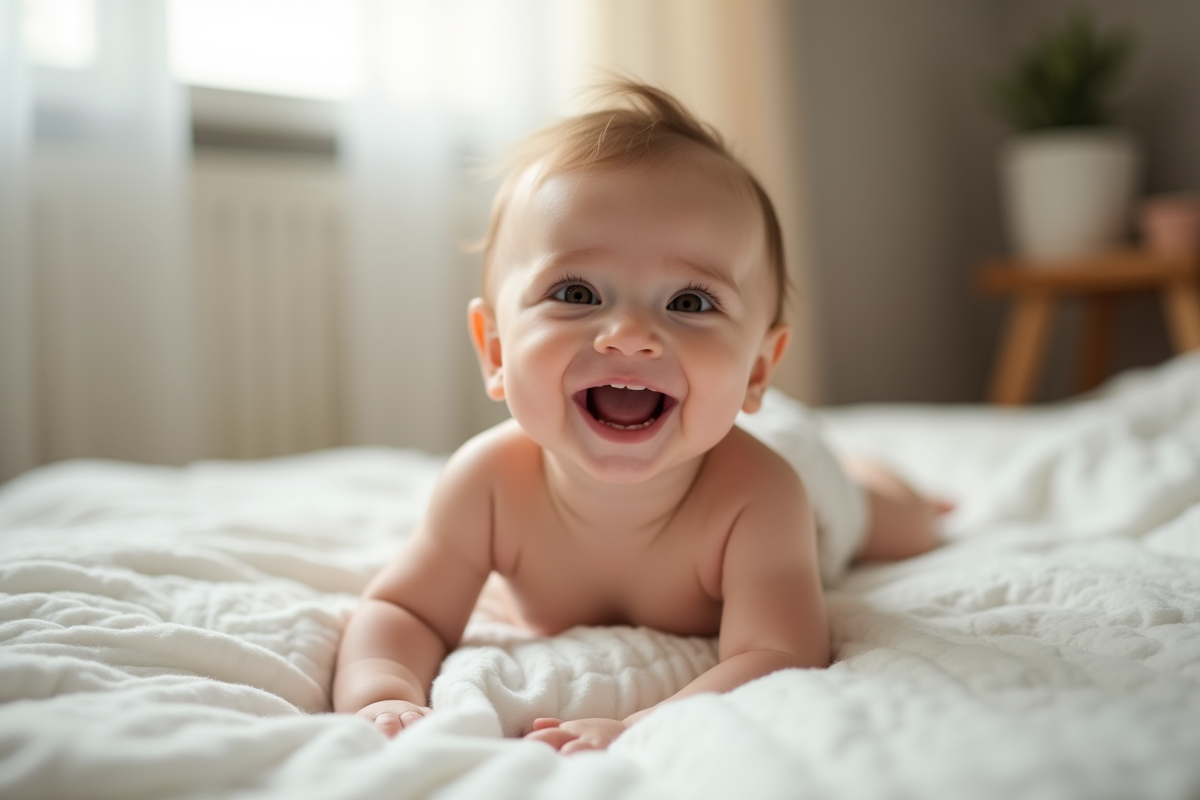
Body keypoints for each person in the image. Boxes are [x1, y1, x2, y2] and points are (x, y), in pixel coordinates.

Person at [332, 82, 945, 754]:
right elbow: (403, 609)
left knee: (904, 523)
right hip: (704, 415)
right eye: (576, 292)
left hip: (804, 477)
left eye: (689, 301)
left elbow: (778, 651)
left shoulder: (762, 496)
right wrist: (384, 693)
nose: (629, 335)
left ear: (758, 371)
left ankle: (871, 475)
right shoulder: (486, 483)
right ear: (496, 351)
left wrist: (639, 727)